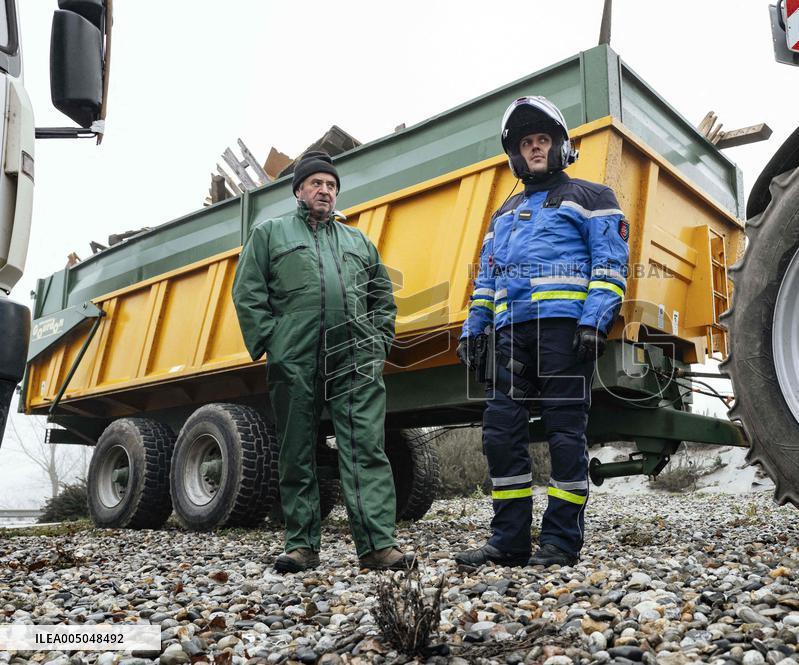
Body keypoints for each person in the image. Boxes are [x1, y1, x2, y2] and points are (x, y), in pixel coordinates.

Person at [454, 96, 630, 568]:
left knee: (565, 435)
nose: (535, 148)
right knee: (499, 433)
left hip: (564, 334)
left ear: (561, 147)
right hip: (511, 335)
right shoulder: (503, 215)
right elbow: (487, 278)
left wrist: (594, 321)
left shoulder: (593, 199)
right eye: (527, 142)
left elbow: (610, 265)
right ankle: (508, 541)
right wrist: (475, 328)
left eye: (543, 140)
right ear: (516, 153)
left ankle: (559, 542)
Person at [232, 151, 413, 573]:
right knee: (297, 450)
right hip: (294, 358)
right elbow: (248, 292)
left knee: (366, 447)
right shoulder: (270, 234)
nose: (325, 190)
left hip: (354, 359)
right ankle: (301, 546)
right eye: (316, 183)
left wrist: (378, 341)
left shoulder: (357, 241)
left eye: (331, 185)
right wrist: (272, 342)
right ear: (299, 190)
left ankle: (377, 546)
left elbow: (382, 297)